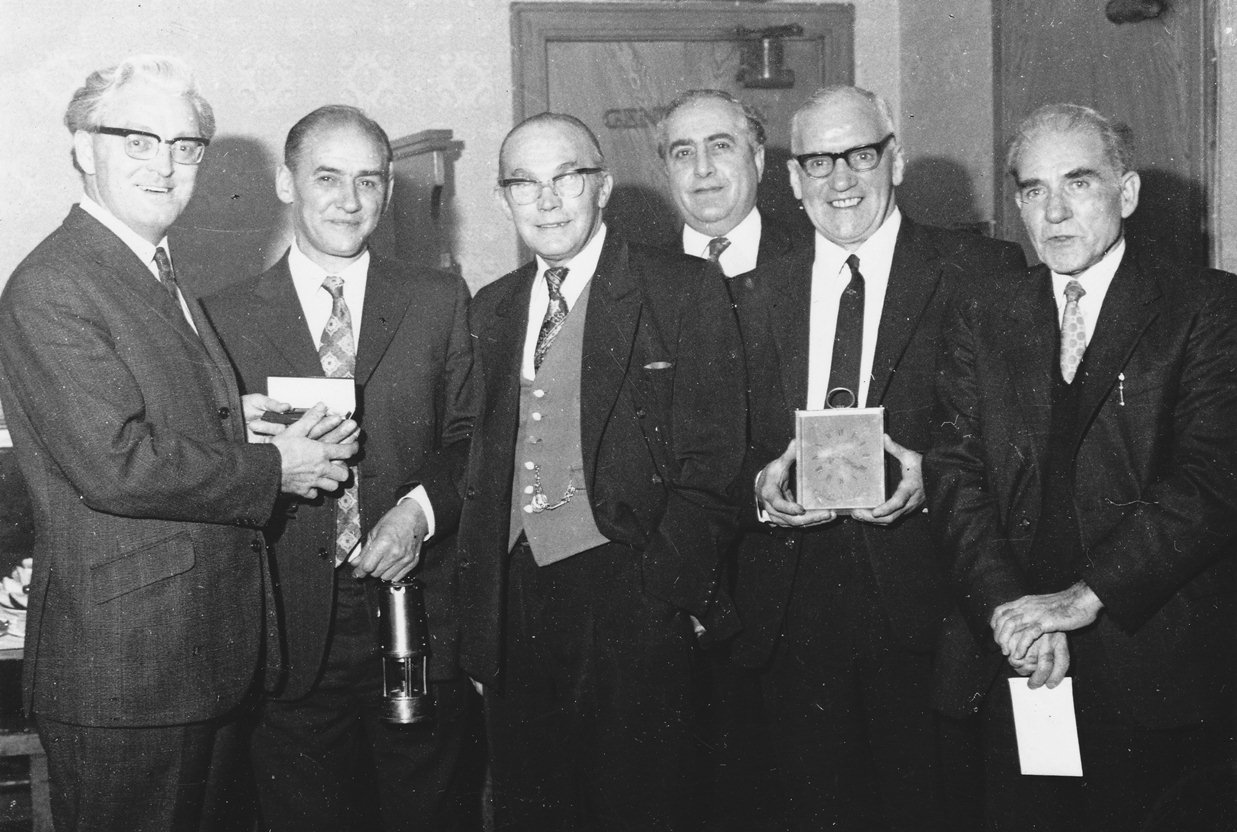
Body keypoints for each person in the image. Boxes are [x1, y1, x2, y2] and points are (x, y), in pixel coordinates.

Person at [0, 55, 356, 832]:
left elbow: (149, 414)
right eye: (137, 140)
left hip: (191, 660)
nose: (163, 165)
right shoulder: (54, 283)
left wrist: (238, 416)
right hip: (128, 674)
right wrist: (274, 466)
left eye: (184, 146)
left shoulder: (151, 268)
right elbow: (116, 464)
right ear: (82, 147)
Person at [413, 112, 745, 831]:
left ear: (604, 185)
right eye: (524, 183)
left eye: (567, 178)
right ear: (503, 198)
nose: (547, 200)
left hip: (632, 590)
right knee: (533, 808)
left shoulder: (680, 287)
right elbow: (479, 461)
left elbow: (714, 460)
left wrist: (669, 594)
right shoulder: (493, 307)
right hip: (516, 598)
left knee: (643, 807)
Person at [925, 102, 1237, 832]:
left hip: (1151, 661)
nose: (1055, 212)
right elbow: (955, 474)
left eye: (1079, 183)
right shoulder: (983, 310)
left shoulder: (1206, 306)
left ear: (1126, 193)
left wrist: (1081, 599)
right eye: (1033, 190)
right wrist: (1012, 613)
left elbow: (1211, 480)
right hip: (1016, 656)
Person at [733, 85, 1026, 831]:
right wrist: (759, 488)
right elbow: (716, 448)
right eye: (818, 161)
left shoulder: (982, 269)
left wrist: (940, 475)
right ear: (791, 178)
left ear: (895, 162)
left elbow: (1023, 439)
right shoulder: (748, 293)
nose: (840, 179)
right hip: (790, 619)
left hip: (931, 608)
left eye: (860, 155)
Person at [202, 105, 483, 832]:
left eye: (368, 180)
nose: (350, 201)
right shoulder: (220, 318)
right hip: (290, 628)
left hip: (415, 614)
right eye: (327, 178)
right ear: (285, 184)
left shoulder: (438, 299)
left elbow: (475, 438)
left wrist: (419, 513)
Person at [656, 89, 805, 276]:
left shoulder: (812, 258)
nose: (702, 169)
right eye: (684, 153)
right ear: (667, 171)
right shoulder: (641, 276)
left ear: (758, 161)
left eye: (720, 146)